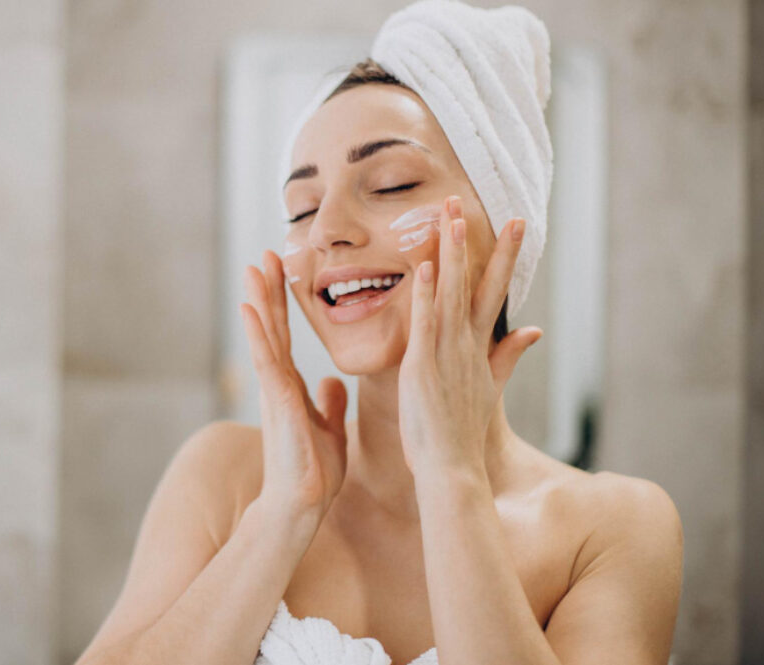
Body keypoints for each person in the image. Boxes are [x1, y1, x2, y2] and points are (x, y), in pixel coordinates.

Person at [74, 2, 683, 664]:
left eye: (390, 184)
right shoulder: (226, 477)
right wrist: (283, 513)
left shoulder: (614, 527)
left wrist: (452, 480)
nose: (327, 227)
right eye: (302, 207)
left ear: (508, 223)